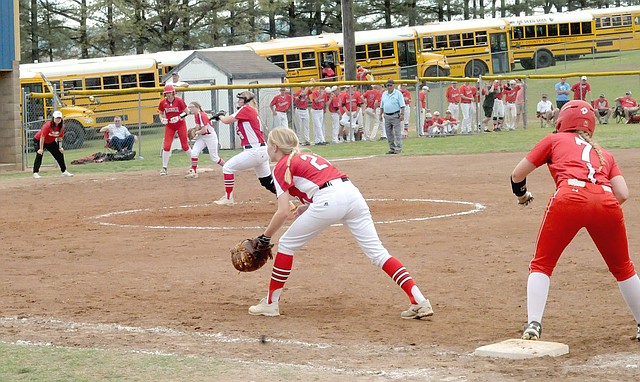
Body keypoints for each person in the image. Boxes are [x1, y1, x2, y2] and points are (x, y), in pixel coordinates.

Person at [247, 127, 434, 320]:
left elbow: (283, 211)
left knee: (286, 244)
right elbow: (324, 183)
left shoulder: (281, 166)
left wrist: (265, 236)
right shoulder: (311, 156)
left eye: (269, 145)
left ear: (275, 147)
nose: (267, 149)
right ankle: (419, 300)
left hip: (329, 199)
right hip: (352, 195)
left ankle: (270, 304)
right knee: (378, 253)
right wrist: (309, 205)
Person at [510, 100, 640, 341]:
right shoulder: (605, 154)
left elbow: (517, 174)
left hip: (569, 197)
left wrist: (522, 196)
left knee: (542, 264)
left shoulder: (554, 140)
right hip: (607, 202)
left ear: (562, 122)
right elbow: (623, 193)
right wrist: (596, 211)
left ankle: (534, 324)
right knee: (624, 268)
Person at [213, 91, 275, 205]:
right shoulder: (248, 111)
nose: (239, 101)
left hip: (254, 150)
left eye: (241, 99)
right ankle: (289, 198)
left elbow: (227, 120)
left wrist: (220, 116)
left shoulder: (246, 109)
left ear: (246, 100)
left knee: (227, 168)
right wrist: (221, 117)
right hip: (260, 150)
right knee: (267, 182)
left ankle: (228, 198)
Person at [158, 84, 192, 176]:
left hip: (180, 124)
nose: (168, 95)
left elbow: (187, 112)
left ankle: (194, 165)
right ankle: (164, 168)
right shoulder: (163, 103)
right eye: (166, 93)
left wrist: (179, 117)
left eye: (169, 93)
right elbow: (160, 113)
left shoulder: (179, 101)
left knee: (185, 146)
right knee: (166, 146)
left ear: (173, 93)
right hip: (169, 125)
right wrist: (162, 119)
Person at [184, 101, 225, 179]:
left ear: (197, 107)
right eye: (189, 108)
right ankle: (194, 172)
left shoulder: (202, 115)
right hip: (202, 137)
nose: (190, 109)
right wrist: (193, 130)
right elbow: (198, 126)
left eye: (192, 107)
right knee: (194, 153)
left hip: (210, 137)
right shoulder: (196, 115)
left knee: (214, 158)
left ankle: (227, 167)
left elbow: (204, 130)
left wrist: (195, 132)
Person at [32, 110, 73, 179]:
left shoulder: (61, 127)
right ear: (53, 118)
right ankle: (35, 173)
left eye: (59, 118)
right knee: (39, 154)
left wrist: (60, 147)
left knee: (59, 154)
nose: (58, 119)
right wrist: (41, 149)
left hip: (50, 142)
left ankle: (64, 171)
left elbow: (60, 138)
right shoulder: (48, 125)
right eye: (56, 118)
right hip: (39, 140)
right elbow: (42, 137)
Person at [379, 79, 405, 154]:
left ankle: (399, 148)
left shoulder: (398, 93)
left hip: (395, 114)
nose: (389, 87)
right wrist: (380, 114)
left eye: (391, 85)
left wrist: (402, 114)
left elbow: (402, 105)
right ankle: (392, 148)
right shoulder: (384, 94)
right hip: (386, 115)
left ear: (394, 86)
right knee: (388, 133)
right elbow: (382, 106)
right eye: (388, 85)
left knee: (397, 133)